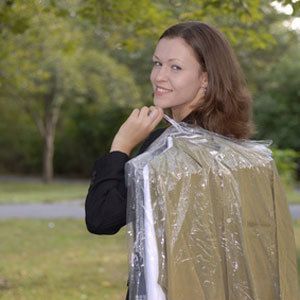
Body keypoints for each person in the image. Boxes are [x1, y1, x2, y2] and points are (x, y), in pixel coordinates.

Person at [85, 21, 262, 299]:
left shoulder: (171, 151)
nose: (159, 76)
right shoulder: (236, 146)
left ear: (205, 77)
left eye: (175, 67)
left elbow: (102, 218)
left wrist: (120, 146)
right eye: (157, 63)